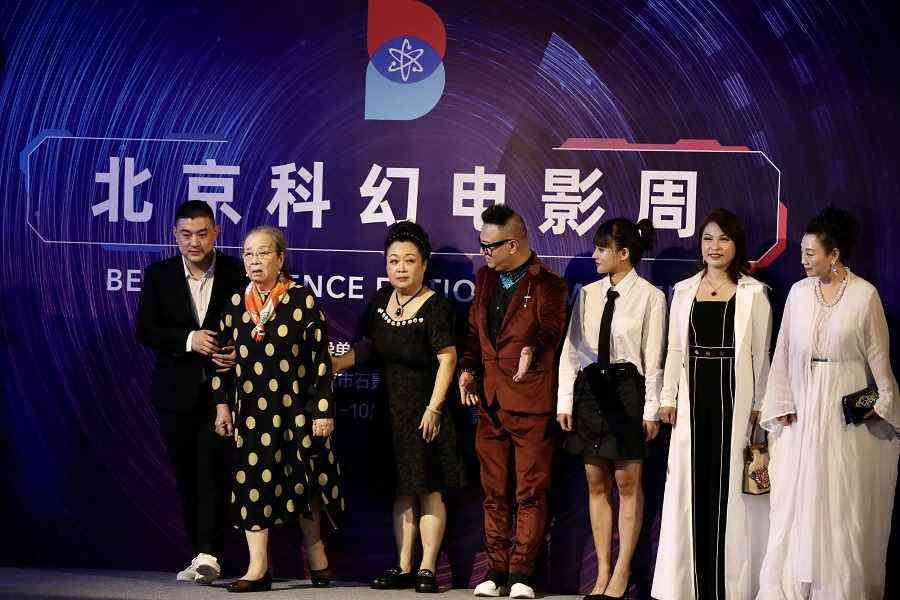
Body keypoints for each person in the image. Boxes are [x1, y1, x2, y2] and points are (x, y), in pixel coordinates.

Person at [756, 206, 900, 600]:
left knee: (839, 501)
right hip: (802, 409)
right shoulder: (798, 293)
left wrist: (877, 403)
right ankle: (792, 588)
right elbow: (782, 353)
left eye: (810, 253)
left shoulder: (864, 296)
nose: (802, 260)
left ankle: (836, 589)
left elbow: (880, 365)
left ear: (833, 254)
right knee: (795, 497)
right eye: (801, 252)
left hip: (843, 416)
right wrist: (781, 401)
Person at [332, 221, 465, 594]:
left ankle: (427, 568)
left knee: (430, 490)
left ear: (424, 265)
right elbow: (367, 348)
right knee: (402, 490)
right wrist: (334, 364)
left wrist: (434, 408)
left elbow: (448, 359)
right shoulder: (380, 301)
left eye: (409, 260)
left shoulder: (437, 307)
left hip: (426, 412)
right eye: (393, 260)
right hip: (389, 412)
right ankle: (404, 565)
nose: (401, 268)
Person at [212, 225, 344, 593]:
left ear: (280, 258)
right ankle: (258, 568)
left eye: (263, 253)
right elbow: (221, 362)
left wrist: (323, 410)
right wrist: (222, 405)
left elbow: (321, 362)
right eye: (248, 254)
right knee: (252, 483)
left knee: (304, 483)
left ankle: (317, 556)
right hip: (251, 414)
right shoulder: (236, 304)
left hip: (296, 410)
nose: (254, 261)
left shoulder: (301, 300)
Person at [652, 208, 773, 600]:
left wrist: (760, 404)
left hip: (735, 403)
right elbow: (674, 349)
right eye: (707, 238)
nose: (714, 247)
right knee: (691, 489)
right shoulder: (684, 290)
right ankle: (689, 586)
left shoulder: (754, 294)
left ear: (736, 245)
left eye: (723, 239)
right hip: (692, 401)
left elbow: (760, 356)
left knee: (730, 492)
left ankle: (729, 588)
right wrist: (667, 397)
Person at [458, 205, 568, 600]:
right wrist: (468, 368)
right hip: (490, 402)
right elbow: (475, 334)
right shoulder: (485, 278)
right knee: (493, 494)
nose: (483, 252)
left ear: (514, 245)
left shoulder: (548, 284)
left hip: (530, 401)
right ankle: (496, 571)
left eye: (489, 246)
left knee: (530, 493)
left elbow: (552, 330)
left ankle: (523, 573)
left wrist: (532, 351)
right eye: (481, 244)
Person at [136, 200, 244, 584]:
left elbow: (256, 322)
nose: (194, 242)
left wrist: (238, 352)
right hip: (175, 393)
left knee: (215, 471)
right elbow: (146, 330)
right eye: (186, 235)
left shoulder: (237, 271)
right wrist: (188, 339)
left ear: (216, 233)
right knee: (186, 474)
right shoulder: (159, 275)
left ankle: (210, 554)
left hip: (225, 394)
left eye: (202, 234)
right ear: (175, 235)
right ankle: (199, 552)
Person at [557, 218, 665, 599]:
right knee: (595, 481)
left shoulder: (651, 297)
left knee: (627, 482)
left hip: (627, 389)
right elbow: (572, 351)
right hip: (590, 390)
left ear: (624, 253)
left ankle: (623, 571)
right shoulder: (587, 294)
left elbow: (654, 360)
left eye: (603, 249)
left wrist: (651, 409)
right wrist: (565, 400)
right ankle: (602, 571)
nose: (595, 255)